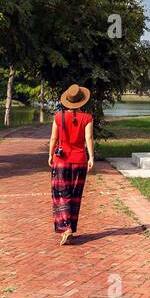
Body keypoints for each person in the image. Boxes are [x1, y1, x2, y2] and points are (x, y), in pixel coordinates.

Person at [47, 84, 95, 245]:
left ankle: (66, 227)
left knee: (61, 194)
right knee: (75, 195)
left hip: (61, 160)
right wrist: (91, 157)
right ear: (82, 101)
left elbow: (53, 138)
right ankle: (71, 227)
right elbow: (88, 138)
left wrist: (50, 154)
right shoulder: (87, 118)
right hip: (79, 160)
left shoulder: (58, 116)